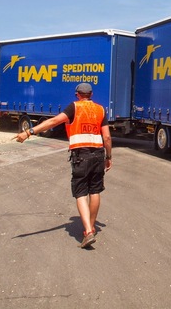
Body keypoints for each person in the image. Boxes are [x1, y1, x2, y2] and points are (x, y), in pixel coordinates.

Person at [15, 82, 113, 249]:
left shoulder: (74, 107)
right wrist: (108, 156)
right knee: (95, 191)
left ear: (77, 94)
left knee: (81, 192)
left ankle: (88, 231)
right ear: (91, 94)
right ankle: (91, 227)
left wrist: (29, 132)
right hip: (98, 154)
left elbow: (53, 121)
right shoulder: (101, 109)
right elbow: (107, 137)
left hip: (80, 156)